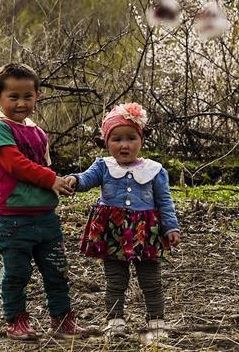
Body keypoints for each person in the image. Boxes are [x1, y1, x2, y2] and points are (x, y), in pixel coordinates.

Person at [65, 102, 181, 343]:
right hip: (112, 233)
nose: (124, 145)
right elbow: (87, 179)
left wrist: (171, 226)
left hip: (146, 233)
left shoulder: (154, 170)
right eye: (116, 139)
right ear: (107, 142)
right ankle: (114, 321)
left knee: (151, 280)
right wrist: (75, 180)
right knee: (115, 280)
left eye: (131, 138)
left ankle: (156, 321)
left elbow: (165, 201)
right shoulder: (103, 166)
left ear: (142, 140)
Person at [0, 63, 84, 340]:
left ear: (37, 96)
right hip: (14, 218)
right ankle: (16, 321)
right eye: (12, 97)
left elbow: (41, 166)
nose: (21, 103)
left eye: (27, 96)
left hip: (45, 217)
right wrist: (51, 179)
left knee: (57, 270)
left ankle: (62, 320)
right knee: (16, 273)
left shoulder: (36, 131)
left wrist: (60, 182)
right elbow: (16, 164)